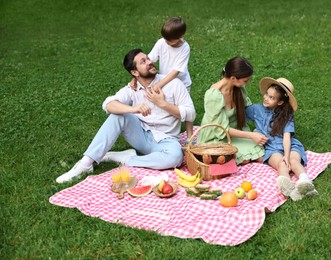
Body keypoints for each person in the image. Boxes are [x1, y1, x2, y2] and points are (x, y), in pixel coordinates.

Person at [56, 49, 196, 183]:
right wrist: (133, 109)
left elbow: (191, 112)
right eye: (143, 62)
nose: (149, 62)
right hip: (141, 136)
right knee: (118, 116)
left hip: (167, 140)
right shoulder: (132, 89)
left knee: (175, 157)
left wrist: (162, 103)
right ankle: (86, 163)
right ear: (134, 72)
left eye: (147, 58)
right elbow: (108, 104)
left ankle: (127, 159)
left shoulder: (173, 84)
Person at [245, 77, 317, 201]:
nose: (266, 98)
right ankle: (290, 190)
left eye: (271, 97)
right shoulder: (256, 109)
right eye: (267, 94)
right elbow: (238, 112)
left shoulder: (286, 115)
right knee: (281, 164)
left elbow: (287, 138)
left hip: (290, 145)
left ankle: (305, 182)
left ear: (280, 102)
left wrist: (287, 155)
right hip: (272, 148)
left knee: (293, 162)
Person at [196, 56, 268, 165]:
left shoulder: (238, 89)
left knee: (260, 156)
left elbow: (248, 109)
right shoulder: (214, 96)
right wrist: (251, 135)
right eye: (245, 80)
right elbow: (221, 129)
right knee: (244, 159)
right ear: (233, 78)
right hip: (216, 136)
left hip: (236, 132)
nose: (247, 83)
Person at [132, 16, 194, 141]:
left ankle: (189, 136)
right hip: (164, 81)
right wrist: (135, 78)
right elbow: (149, 60)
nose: (166, 41)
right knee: (166, 105)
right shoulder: (161, 42)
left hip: (181, 82)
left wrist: (159, 84)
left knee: (186, 110)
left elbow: (176, 72)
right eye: (165, 38)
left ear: (180, 36)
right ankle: (165, 132)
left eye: (169, 40)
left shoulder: (185, 48)